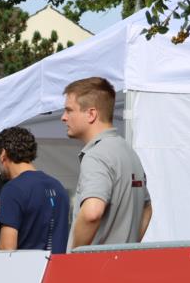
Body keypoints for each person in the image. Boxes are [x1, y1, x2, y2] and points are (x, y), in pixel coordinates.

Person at [62, 77, 152, 249]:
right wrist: (126, 248)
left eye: (69, 110)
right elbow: (147, 209)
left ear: (91, 114)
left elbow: (92, 212)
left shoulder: (96, 155)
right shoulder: (128, 152)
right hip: (120, 267)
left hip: (94, 270)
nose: (63, 118)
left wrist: (74, 256)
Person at [0, 127, 70, 253]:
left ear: (3, 154)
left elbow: (7, 249)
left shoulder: (12, 189)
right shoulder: (58, 187)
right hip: (57, 269)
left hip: (26, 271)